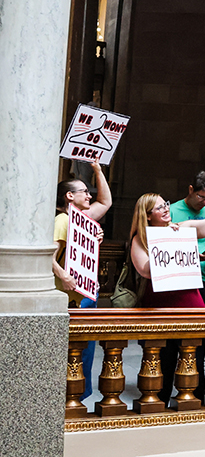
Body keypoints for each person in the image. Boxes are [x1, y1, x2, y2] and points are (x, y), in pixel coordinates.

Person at [129, 174, 205, 404]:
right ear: (148, 215)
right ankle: (158, 402)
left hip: (190, 296)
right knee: (163, 355)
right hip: (160, 299)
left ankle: (193, 400)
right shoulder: (140, 239)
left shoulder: (183, 227)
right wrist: (167, 246)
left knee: (194, 350)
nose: (165, 209)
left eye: (165, 204)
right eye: (159, 207)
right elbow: (144, 270)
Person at [52, 158, 112, 401]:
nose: (89, 197)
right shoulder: (63, 220)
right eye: (84, 192)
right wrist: (63, 274)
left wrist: (97, 169)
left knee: (86, 350)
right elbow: (48, 256)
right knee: (72, 351)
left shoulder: (84, 220)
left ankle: (78, 397)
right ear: (69, 196)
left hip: (86, 293)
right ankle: (67, 398)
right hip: (70, 296)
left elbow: (106, 202)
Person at [170, 171, 205, 308]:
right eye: (201, 196)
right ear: (191, 189)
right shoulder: (171, 211)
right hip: (176, 278)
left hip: (202, 277)